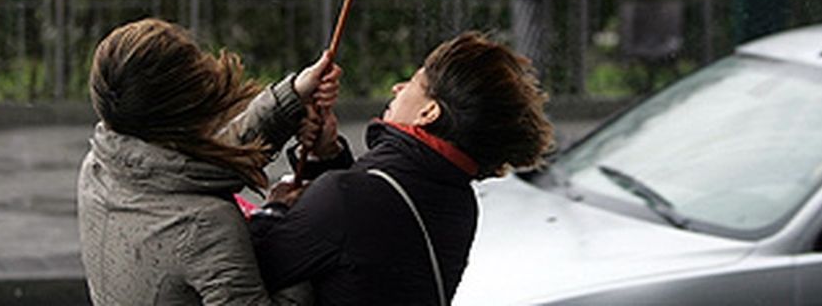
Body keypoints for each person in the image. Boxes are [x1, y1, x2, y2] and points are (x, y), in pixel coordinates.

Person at [251, 31, 556, 306]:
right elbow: (361, 243)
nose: (397, 88)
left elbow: (250, 271)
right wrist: (326, 155)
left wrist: (274, 209)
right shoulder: (456, 199)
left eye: (412, 82)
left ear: (428, 112)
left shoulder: (349, 198)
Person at [77, 17, 339, 306]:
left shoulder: (100, 166)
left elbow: (189, 167)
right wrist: (285, 222)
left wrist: (291, 99)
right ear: (189, 110)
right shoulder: (204, 224)